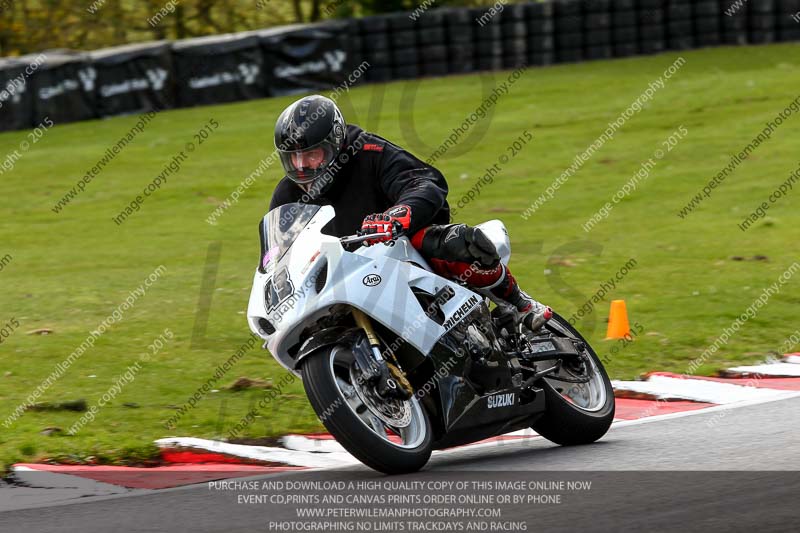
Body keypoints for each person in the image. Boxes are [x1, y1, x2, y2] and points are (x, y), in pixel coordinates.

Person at [268, 94, 551, 332]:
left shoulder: (370, 153)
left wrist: (397, 215)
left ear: (336, 142)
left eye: (311, 154)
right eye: (292, 157)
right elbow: (279, 254)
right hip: (341, 276)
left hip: (400, 250)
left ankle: (520, 303)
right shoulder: (287, 194)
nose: (301, 165)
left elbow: (425, 181)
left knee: (457, 243)